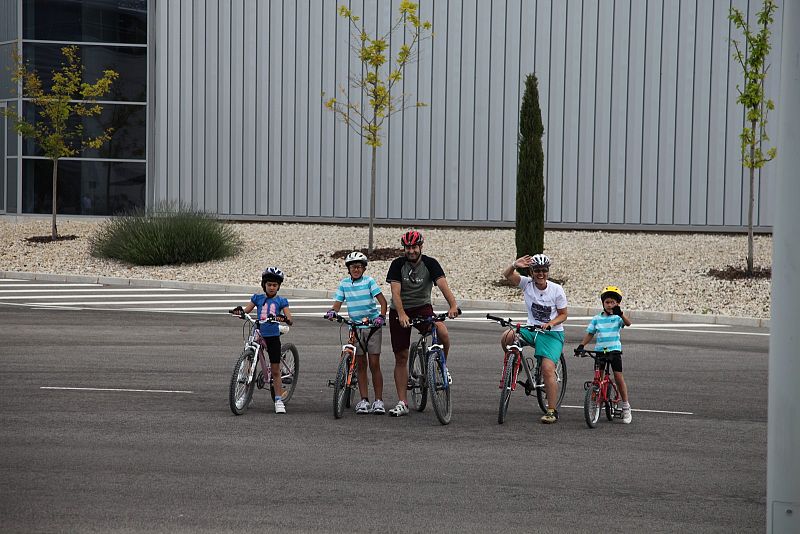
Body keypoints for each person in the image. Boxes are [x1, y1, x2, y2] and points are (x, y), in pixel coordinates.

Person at [385, 230, 459, 417]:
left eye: (414, 247)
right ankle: (402, 402)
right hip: (399, 309)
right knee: (401, 356)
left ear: (420, 247)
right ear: (404, 248)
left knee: (442, 332)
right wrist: (401, 314)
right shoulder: (397, 265)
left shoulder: (430, 263)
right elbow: (395, 292)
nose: (411, 250)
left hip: (422, 307)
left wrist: (453, 305)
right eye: (408, 247)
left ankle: (442, 368)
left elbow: (443, 285)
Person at [501, 253, 568, 424]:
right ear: (531, 271)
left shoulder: (556, 290)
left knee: (547, 369)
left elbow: (563, 315)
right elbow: (507, 275)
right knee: (507, 336)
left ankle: (552, 410)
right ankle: (514, 365)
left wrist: (551, 323)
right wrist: (515, 264)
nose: (540, 273)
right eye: (537, 270)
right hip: (531, 329)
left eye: (544, 270)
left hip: (551, 333)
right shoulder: (527, 284)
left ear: (548, 271)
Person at [324, 251, 389, 415]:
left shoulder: (369, 282)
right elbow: (338, 303)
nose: (356, 269)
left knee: (374, 364)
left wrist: (381, 317)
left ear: (364, 268)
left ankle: (379, 400)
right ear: (348, 268)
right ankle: (364, 400)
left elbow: (383, 302)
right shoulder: (344, 284)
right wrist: (333, 312)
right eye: (353, 267)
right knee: (361, 365)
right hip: (355, 327)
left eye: (359, 267)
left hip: (372, 327)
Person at [229, 267, 294, 414]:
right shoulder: (257, 298)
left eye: (275, 285)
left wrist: (285, 318)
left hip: (272, 336)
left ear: (278, 287)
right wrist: (240, 312)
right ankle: (246, 395)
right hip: (258, 332)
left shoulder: (281, 301)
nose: (272, 287)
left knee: (276, 370)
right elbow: (246, 311)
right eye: (269, 284)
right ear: (264, 285)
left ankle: (278, 399)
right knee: (248, 363)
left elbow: (289, 318)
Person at [574, 285, 633, 424]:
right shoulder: (597, 319)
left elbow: (628, 323)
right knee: (597, 378)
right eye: (607, 302)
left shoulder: (618, 317)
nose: (610, 305)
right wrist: (582, 346)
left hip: (614, 350)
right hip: (600, 350)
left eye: (613, 302)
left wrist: (621, 313)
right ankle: (596, 403)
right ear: (603, 303)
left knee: (618, 377)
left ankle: (626, 406)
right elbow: (590, 333)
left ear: (617, 303)